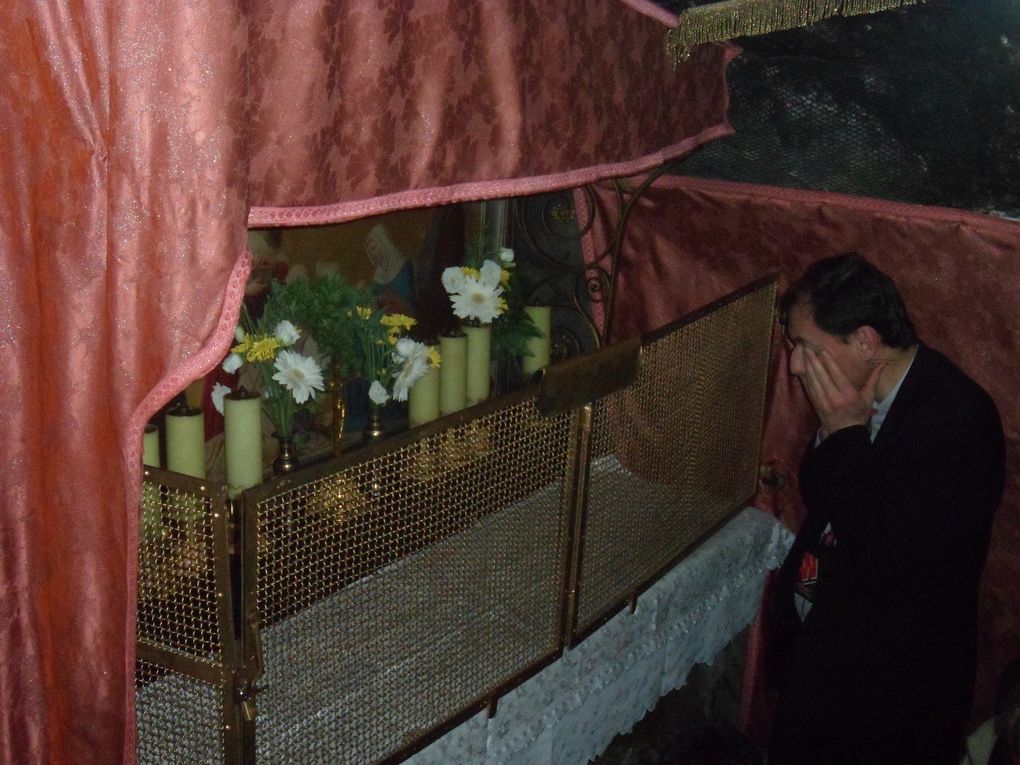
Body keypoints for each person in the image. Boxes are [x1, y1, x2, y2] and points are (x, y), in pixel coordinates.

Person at [766, 254, 1006, 765]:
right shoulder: (856, 394)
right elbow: (821, 490)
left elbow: (893, 561)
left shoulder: (958, 421)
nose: (796, 365)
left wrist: (848, 438)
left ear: (865, 340)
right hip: (825, 667)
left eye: (807, 348)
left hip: (886, 698)